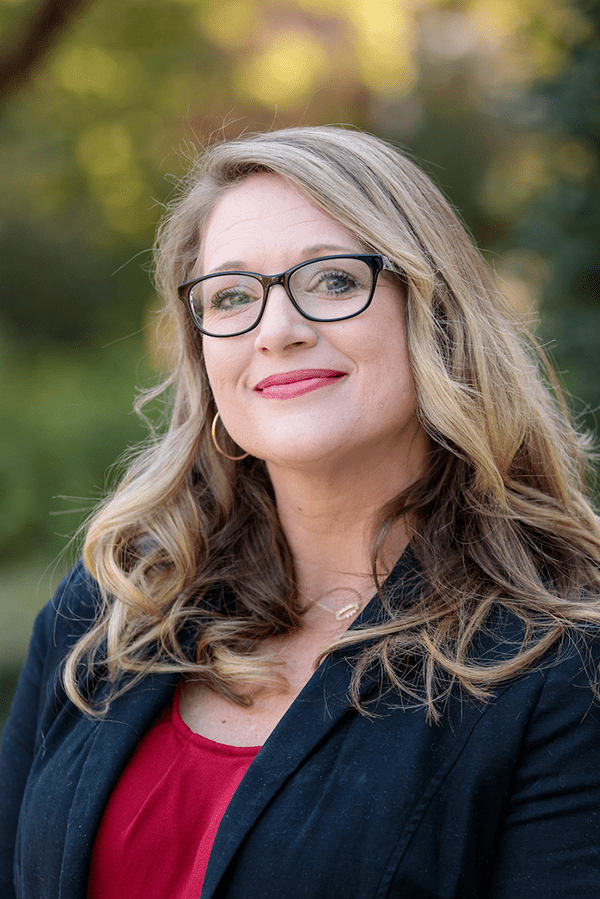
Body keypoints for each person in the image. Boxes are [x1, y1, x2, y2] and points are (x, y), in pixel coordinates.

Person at [2, 125, 600, 899]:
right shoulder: (108, 614)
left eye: (332, 280)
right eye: (232, 296)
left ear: (434, 314)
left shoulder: (561, 667)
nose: (277, 330)